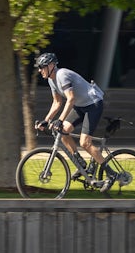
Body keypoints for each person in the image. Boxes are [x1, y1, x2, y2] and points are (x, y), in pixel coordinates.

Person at [33, 52, 111, 188]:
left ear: (51, 65)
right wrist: (47, 120)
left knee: (85, 143)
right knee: (62, 132)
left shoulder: (62, 75)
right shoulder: (52, 80)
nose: (40, 70)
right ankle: (80, 162)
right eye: (39, 67)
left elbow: (71, 99)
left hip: (93, 104)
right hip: (81, 106)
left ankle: (112, 174)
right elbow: (57, 102)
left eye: (42, 67)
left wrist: (60, 119)